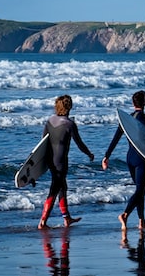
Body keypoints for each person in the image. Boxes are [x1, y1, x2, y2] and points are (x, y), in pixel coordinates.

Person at [102, 90, 145, 230]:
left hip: (130, 158)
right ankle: (125, 214)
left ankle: (142, 221)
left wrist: (107, 156)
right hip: (142, 159)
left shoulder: (127, 120)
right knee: (140, 191)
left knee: (139, 191)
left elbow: (116, 137)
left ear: (132, 103)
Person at [38, 95, 94, 230]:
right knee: (54, 190)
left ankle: (67, 218)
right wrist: (89, 153)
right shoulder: (69, 124)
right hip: (61, 162)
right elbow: (79, 143)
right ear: (69, 106)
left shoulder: (50, 121)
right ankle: (42, 222)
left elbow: (42, 143)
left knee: (62, 187)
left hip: (51, 161)